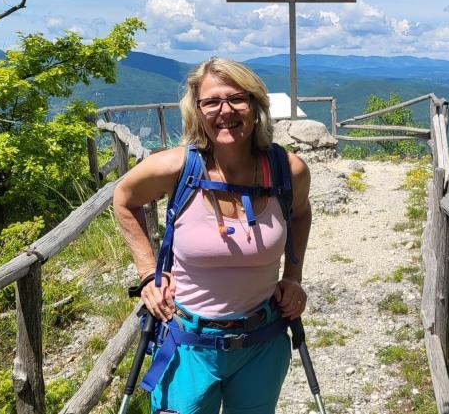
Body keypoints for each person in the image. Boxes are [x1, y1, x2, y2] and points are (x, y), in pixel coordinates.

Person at [113, 57, 312, 414]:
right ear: (197, 110)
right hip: (187, 342)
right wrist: (147, 274)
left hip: (262, 343)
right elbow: (124, 200)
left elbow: (300, 212)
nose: (225, 110)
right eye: (212, 102)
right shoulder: (176, 168)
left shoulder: (287, 170)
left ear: (255, 105)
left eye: (237, 98)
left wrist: (293, 277)